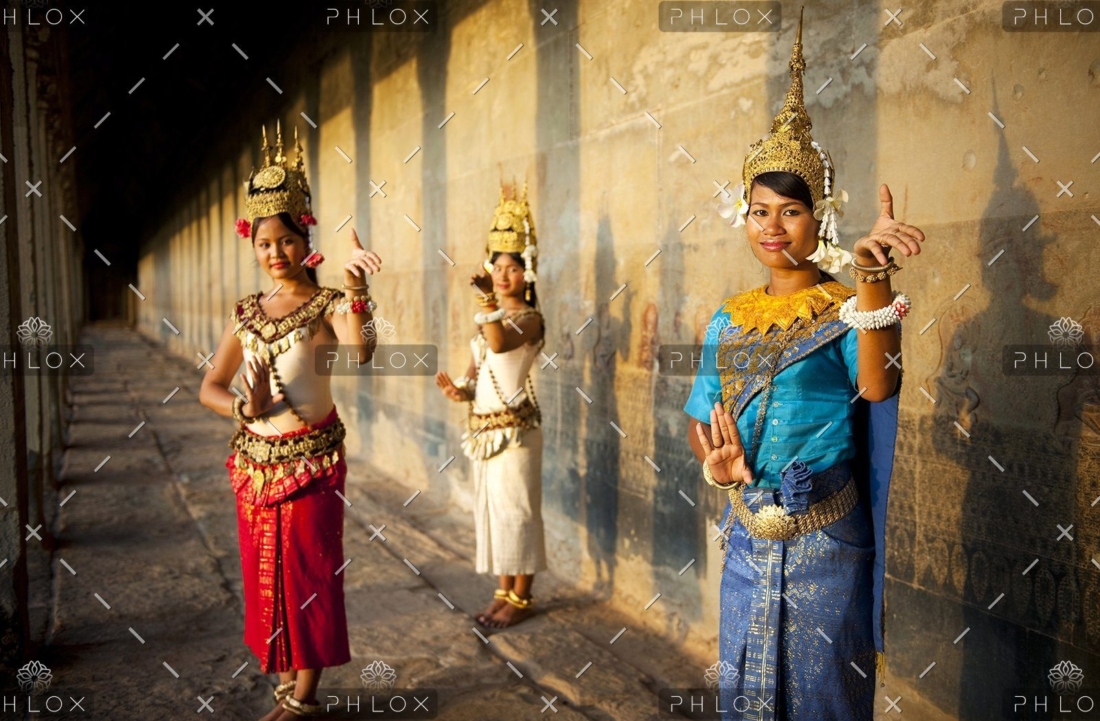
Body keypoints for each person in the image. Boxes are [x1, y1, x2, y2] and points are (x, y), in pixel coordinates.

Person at [683, 8, 925, 719]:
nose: (772, 227)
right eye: (759, 211)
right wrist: (719, 469)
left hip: (829, 534)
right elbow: (706, 420)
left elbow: (880, 384)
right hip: (749, 529)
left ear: (820, 219)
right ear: (744, 215)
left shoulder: (849, 306)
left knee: (823, 696)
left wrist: (874, 277)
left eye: (790, 212)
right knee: (750, 691)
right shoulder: (727, 317)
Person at [198, 122, 383, 720]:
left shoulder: (326, 304)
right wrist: (242, 409)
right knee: (266, 576)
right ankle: (286, 686)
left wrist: (356, 289)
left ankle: (304, 698)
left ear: (306, 238)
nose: (275, 253)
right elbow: (210, 386)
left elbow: (363, 351)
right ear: (251, 245)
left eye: (285, 240)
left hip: (313, 466)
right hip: (254, 466)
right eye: (263, 243)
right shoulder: (246, 313)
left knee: (310, 576)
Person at [435, 182, 547, 629]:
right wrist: (460, 391)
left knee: (519, 512)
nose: (503, 277)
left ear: (528, 274)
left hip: (518, 433)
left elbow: (499, 345)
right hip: (484, 432)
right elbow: (478, 367)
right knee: (494, 513)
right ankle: (503, 590)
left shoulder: (528, 320)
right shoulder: (491, 320)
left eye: (512, 270)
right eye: (497, 268)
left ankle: (523, 597)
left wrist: (486, 302)